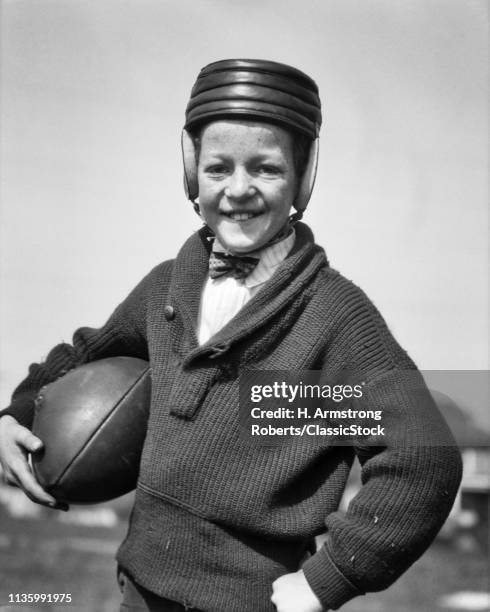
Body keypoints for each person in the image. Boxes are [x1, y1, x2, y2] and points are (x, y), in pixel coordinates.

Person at [0, 59, 462, 612]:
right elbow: (89, 352)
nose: (238, 189)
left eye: (264, 169)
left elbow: (423, 460)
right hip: (140, 588)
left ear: (303, 177)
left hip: (253, 602)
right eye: (219, 168)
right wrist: (19, 411)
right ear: (192, 171)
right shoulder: (166, 286)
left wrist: (328, 579)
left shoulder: (335, 317)